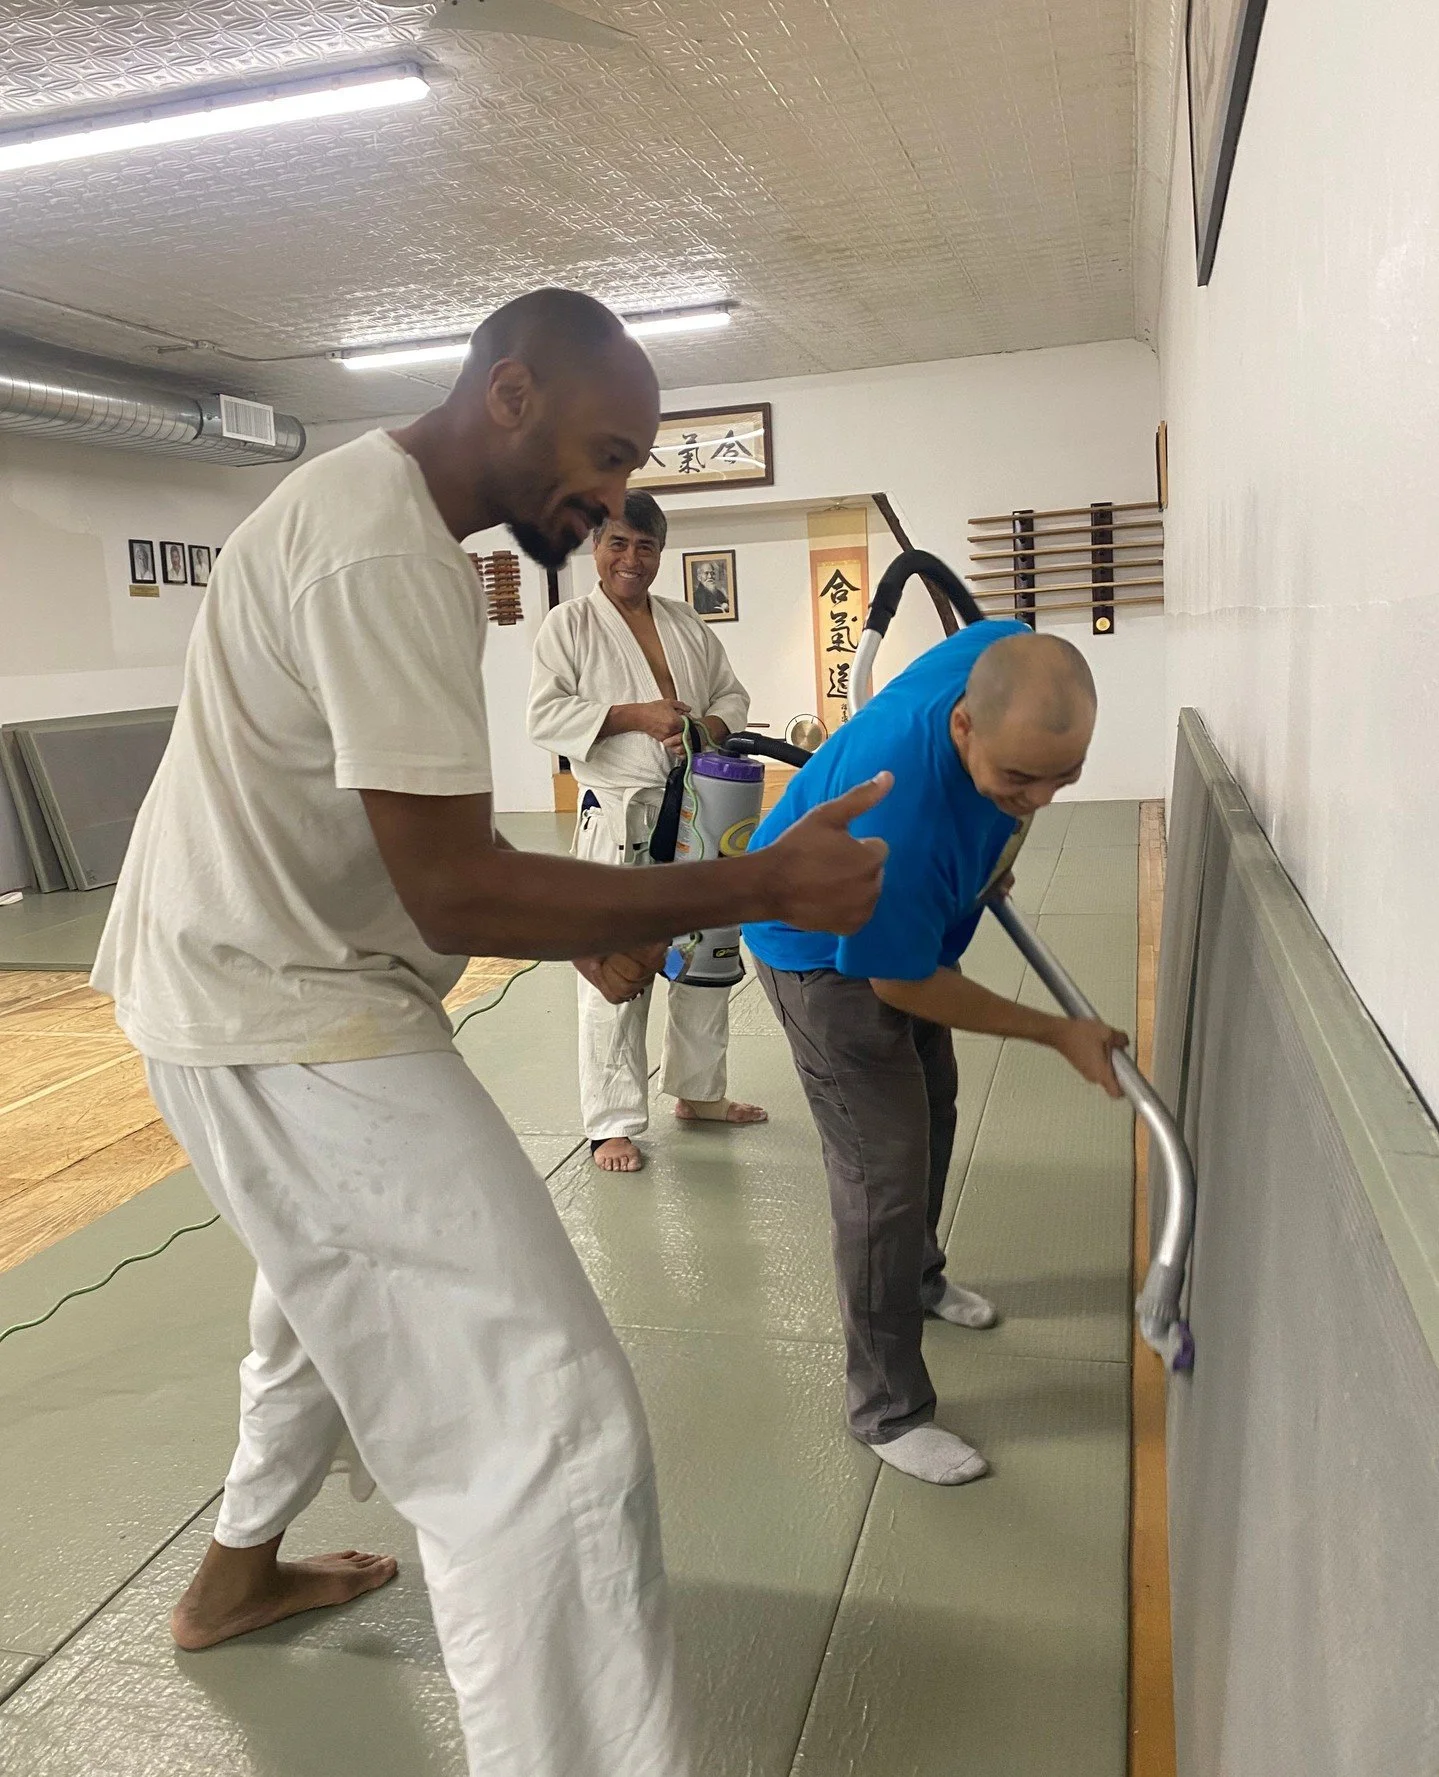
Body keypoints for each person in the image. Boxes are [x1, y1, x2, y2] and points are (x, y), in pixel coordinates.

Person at [91, 287, 890, 1777]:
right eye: (603, 453)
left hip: (263, 975)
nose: (607, 496)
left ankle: (235, 1572)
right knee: (549, 1430)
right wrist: (768, 875)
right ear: (508, 393)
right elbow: (454, 884)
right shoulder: (385, 547)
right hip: (281, 1011)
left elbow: (414, 862)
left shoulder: (370, 516)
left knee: (322, 1301)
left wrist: (600, 915)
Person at [744, 621, 1128, 1488]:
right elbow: (899, 984)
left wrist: (993, 841)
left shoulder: (998, 651)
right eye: (1017, 780)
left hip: (903, 927)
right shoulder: (901, 820)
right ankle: (885, 1409)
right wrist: (1057, 1032)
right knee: (883, 1168)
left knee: (935, 1102)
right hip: (817, 950)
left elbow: (998, 807)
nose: (1037, 798)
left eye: (1061, 779)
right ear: (963, 727)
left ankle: (914, 1275)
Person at [528, 492, 767, 1173]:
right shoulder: (567, 625)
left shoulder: (686, 622)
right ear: (593, 547)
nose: (630, 559)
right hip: (618, 817)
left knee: (705, 956)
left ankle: (699, 1092)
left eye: (645, 547)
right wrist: (635, 715)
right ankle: (610, 1122)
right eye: (617, 544)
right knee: (615, 964)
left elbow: (730, 697)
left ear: (660, 554)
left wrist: (700, 729)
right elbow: (544, 716)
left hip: (696, 807)